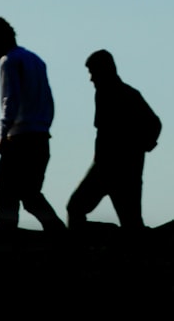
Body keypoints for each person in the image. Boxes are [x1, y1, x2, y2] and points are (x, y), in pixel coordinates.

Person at [0, 16, 65, 231]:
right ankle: (57, 231)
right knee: (30, 194)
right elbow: (49, 100)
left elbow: (10, 100)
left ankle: (9, 242)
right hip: (41, 138)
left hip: (20, 139)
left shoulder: (9, 61)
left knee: (5, 195)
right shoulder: (36, 60)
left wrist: (3, 133)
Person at [67, 50, 161, 230]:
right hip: (116, 168)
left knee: (77, 207)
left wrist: (139, 148)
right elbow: (154, 124)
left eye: (93, 73)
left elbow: (154, 124)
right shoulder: (118, 93)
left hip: (112, 168)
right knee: (131, 223)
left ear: (104, 70)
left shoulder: (119, 94)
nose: (91, 79)